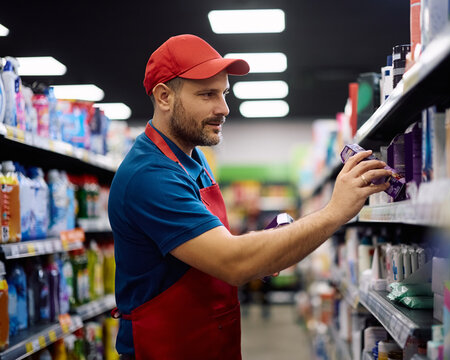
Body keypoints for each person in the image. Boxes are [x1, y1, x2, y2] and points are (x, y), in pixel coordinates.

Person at [108, 34, 391, 359]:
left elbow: (214, 248)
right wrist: (334, 211)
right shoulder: (150, 175)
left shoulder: (192, 158)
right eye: (207, 94)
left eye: (224, 93)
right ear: (164, 97)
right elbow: (233, 262)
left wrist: (271, 248)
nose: (224, 108)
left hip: (207, 340)